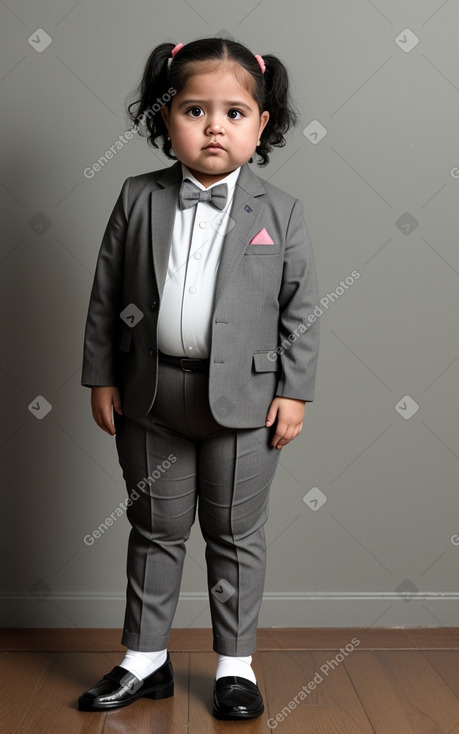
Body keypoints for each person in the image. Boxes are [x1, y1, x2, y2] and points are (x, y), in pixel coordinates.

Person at [78, 36, 320, 720]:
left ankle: (234, 666)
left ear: (261, 123)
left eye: (235, 112)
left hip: (244, 404)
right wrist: (101, 376)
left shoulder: (282, 213)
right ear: (165, 118)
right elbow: (105, 296)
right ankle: (144, 658)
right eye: (193, 109)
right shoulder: (137, 199)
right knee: (154, 528)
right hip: (150, 395)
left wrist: (293, 391)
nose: (215, 125)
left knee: (234, 535)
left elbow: (300, 309)